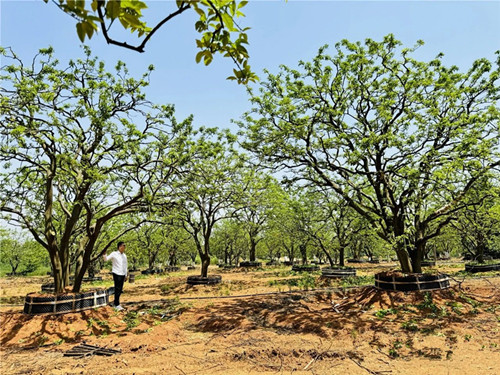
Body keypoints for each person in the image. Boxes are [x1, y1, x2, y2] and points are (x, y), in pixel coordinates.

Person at [103, 241, 128, 311]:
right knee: (117, 288)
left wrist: (126, 274)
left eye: (124, 246)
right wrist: (104, 254)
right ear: (119, 247)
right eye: (123, 245)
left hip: (122, 273)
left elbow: (125, 265)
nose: (124, 247)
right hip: (116, 273)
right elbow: (106, 259)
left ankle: (116, 302)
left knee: (120, 289)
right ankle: (116, 304)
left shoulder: (124, 256)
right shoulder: (114, 254)